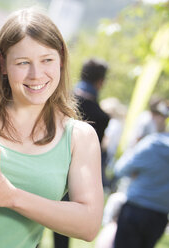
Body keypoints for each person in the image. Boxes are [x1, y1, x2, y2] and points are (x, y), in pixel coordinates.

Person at [0, 7, 104, 248]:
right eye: (23, 62)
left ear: (62, 60)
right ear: (3, 64)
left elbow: (88, 225)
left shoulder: (78, 137)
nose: (36, 75)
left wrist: (11, 196)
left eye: (47, 60)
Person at [113, 100, 169, 248]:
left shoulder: (151, 144)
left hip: (135, 210)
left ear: (165, 119)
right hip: (161, 216)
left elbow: (120, 169)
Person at [53, 58, 110, 248]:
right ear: (100, 82)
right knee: (62, 230)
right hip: (73, 175)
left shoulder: (59, 98)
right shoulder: (101, 116)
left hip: (46, 162)